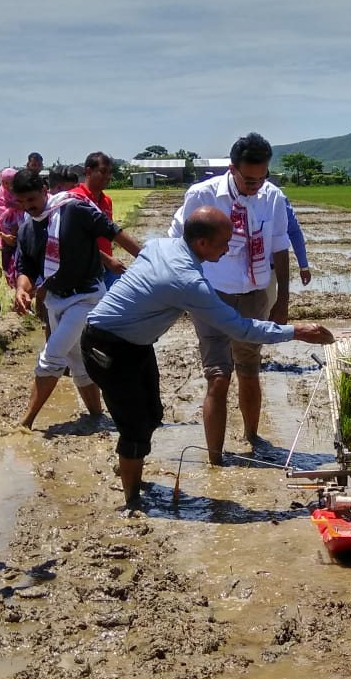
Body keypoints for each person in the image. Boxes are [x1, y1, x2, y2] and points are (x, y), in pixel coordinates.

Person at [83, 206, 334, 506]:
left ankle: (132, 470)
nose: (229, 249)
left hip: (135, 344)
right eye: (224, 242)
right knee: (134, 426)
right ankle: (133, 502)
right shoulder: (188, 281)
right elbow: (240, 328)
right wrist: (296, 332)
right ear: (202, 243)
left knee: (151, 414)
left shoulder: (162, 245)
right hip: (107, 347)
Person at [167, 132, 292, 465]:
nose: (256, 185)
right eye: (249, 178)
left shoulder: (273, 197)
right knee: (218, 376)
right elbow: (178, 243)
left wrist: (282, 300)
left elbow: (280, 247)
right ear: (232, 168)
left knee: (249, 370)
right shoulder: (202, 195)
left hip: (254, 294)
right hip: (212, 295)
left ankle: (253, 438)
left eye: (262, 177)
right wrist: (184, 291)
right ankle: (215, 459)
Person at [10, 169, 141, 430]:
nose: (28, 207)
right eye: (21, 202)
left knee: (52, 356)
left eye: (32, 200)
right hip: (55, 301)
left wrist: (151, 259)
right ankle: (96, 416)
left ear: (45, 192)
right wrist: (21, 289)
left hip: (86, 297)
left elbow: (112, 231)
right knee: (77, 361)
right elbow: (26, 269)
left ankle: (25, 423)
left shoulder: (74, 210)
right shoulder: (27, 229)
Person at [69, 152, 125, 288]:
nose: (108, 177)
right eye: (103, 172)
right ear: (88, 171)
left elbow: (109, 233)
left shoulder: (107, 201)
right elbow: (77, 241)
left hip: (108, 268)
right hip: (85, 269)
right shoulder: (75, 199)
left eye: (109, 172)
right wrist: (107, 260)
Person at [265, 198, 312, 313]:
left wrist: (304, 266)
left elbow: (293, 231)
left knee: (264, 317)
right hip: (231, 270)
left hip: (266, 271)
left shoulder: (275, 197)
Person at [0, 167, 24, 287]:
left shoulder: (22, 195)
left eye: (11, 182)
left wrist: (17, 228)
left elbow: (29, 212)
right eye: (5, 182)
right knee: (7, 265)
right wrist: (4, 236)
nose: (7, 185)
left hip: (23, 236)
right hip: (6, 238)